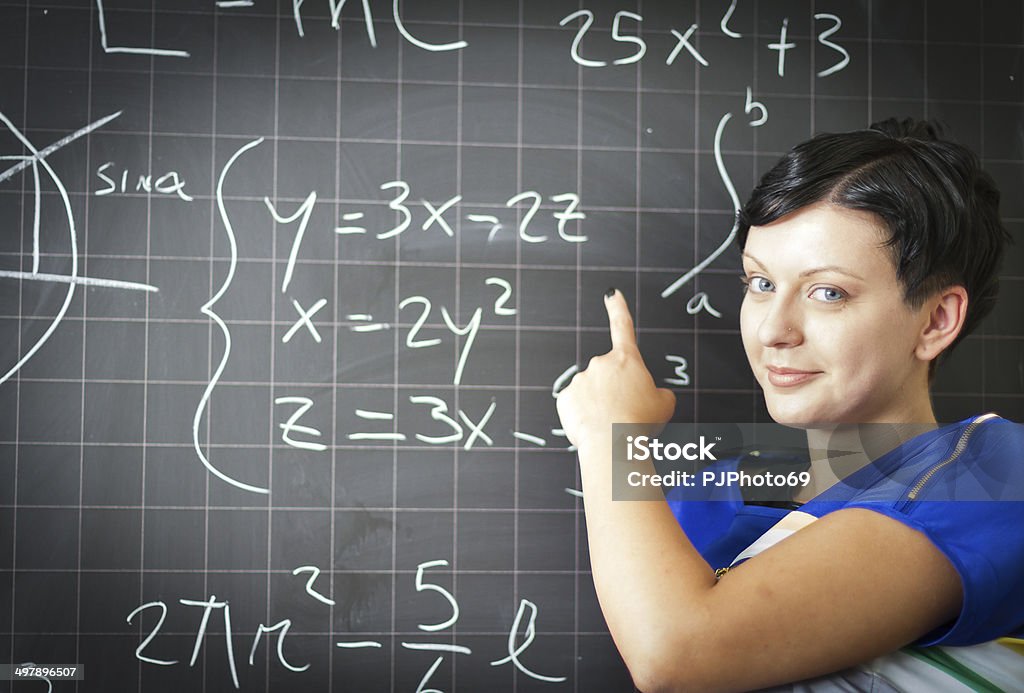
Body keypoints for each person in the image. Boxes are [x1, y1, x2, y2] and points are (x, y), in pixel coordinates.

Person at [555, 118, 1024, 691]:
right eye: (760, 283)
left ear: (935, 320)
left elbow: (676, 655)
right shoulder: (702, 494)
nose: (774, 329)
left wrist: (611, 436)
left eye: (828, 292)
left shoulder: (996, 474)